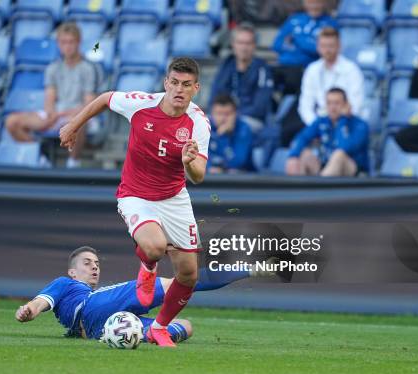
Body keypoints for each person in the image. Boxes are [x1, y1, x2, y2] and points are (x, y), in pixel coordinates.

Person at [60, 57, 210, 347]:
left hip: (174, 198)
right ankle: (148, 268)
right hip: (135, 194)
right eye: (175, 83)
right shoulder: (141, 104)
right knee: (153, 246)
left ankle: (160, 328)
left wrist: (188, 162)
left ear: (196, 88)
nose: (179, 89)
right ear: (166, 83)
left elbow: (199, 175)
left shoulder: (198, 123)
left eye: (186, 85)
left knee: (189, 275)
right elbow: (105, 98)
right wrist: (74, 125)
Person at [15, 246, 255, 343]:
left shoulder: (95, 290)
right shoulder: (65, 284)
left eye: (97, 263)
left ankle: (137, 335)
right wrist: (29, 311)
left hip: (105, 328)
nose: (95, 267)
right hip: (94, 307)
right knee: (179, 282)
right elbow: (40, 302)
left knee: (186, 325)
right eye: (87, 263)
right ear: (73, 272)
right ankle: (249, 269)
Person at [6, 22, 98, 169]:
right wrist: (50, 114)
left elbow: (89, 106)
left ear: (78, 42)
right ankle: (41, 158)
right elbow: (49, 98)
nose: (67, 46)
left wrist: (60, 114)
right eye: (63, 42)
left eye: (71, 42)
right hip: (57, 114)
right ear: (58, 44)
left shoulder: (89, 68)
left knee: (80, 121)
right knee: (12, 122)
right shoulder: (53, 68)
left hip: (77, 114)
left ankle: (73, 163)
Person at [289, 27, 364, 147]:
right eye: (323, 46)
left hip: (345, 125)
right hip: (317, 125)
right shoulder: (312, 70)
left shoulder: (352, 70)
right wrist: (318, 127)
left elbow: (355, 106)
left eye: (331, 46)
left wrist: (336, 125)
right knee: (296, 144)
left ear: (339, 46)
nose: (327, 50)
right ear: (318, 47)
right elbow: (305, 106)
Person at [286, 88, 369, 177]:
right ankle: (298, 189)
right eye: (329, 103)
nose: (332, 107)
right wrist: (293, 156)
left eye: (336, 103)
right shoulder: (322, 121)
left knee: (339, 155)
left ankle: (320, 188)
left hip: (354, 172)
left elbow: (344, 147)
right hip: (326, 167)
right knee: (304, 154)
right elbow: (302, 137)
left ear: (346, 104)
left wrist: (342, 120)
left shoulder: (360, 125)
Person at [209, 23, 273, 134]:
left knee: (241, 129)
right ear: (233, 45)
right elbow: (215, 95)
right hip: (223, 115)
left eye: (248, 43)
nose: (244, 47)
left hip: (249, 119)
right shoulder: (226, 64)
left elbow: (260, 106)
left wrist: (234, 119)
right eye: (240, 43)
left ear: (254, 46)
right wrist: (221, 116)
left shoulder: (262, 69)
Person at [272, 0, 338, 95]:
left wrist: (297, 40)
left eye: (317, 3)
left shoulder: (330, 23)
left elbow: (320, 49)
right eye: (311, 3)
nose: (314, 6)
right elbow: (277, 45)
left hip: (310, 69)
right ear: (305, 3)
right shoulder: (294, 19)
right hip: (285, 68)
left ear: (323, 3)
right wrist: (305, 44)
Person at [208, 94, 254, 173]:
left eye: (228, 114)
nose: (223, 118)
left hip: (243, 178)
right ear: (212, 114)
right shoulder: (205, 127)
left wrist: (222, 137)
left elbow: (239, 161)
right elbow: (199, 159)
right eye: (219, 113)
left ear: (236, 114)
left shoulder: (244, 129)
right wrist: (208, 167)